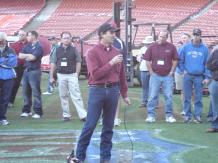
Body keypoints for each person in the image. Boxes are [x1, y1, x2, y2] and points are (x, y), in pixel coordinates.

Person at [67, 23, 130, 163]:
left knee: (109, 127)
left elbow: (121, 75)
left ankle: (105, 159)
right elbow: (95, 75)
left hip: (113, 91)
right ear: (101, 34)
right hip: (97, 90)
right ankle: (79, 157)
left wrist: (124, 94)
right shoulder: (92, 52)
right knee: (90, 125)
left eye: (114, 32)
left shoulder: (117, 52)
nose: (114, 35)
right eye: (111, 32)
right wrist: (111, 63)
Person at [50, 31, 87, 122]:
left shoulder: (74, 50)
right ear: (61, 39)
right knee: (63, 95)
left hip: (72, 75)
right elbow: (53, 63)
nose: (66, 39)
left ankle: (83, 115)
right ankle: (66, 115)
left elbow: (79, 62)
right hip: (61, 75)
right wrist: (51, 76)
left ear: (70, 39)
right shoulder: (57, 50)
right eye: (64, 38)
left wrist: (76, 74)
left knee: (76, 95)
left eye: (68, 38)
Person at [144, 30, 178, 123]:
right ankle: (150, 115)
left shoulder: (171, 47)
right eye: (160, 36)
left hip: (168, 76)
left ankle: (169, 115)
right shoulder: (152, 46)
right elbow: (147, 60)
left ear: (166, 37)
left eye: (164, 37)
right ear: (157, 37)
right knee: (152, 96)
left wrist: (172, 71)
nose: (162, 38)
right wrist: (151, 72)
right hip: (155, 75)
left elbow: (175, 60)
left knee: (168, 96)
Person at [179, 29, 210, 123]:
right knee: (187, 96)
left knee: (198, 97)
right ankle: (187, 116)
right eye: (195, 35)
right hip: (187, 75)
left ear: (201, 36)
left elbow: (207, 63)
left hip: (199, 76)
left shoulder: (205, 48)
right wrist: (182, 70)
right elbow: (180, 60)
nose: (196, 36)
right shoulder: (186, 47)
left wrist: (207, 77)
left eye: (198, 35)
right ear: (192, 36)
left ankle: (197, 116)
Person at [19, 31, 44, 119]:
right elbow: (20, 55)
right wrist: (28, 55)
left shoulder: (39, 47)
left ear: (34, 36)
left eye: (29, 35)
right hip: (26, 71)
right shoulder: (27, 46)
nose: (27, 37)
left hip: (34, 72)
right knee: (25, 92)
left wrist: (28, 56)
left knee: (36, 92)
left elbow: (33, 58)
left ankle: (38, 112)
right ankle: (26, 110)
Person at [0, 32, 17, 125]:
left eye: (1, 40)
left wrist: (1, 61)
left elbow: (13, 63)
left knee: (5, 98)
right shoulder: (10, 51)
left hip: (8, 78)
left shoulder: (11, 50)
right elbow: (8, 62)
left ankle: (2, 118)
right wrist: (5, 60)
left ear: (4, 40)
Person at [8, 30, 27, 107]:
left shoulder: (30, 44)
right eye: (20, 35)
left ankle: (27, 104)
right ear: (18, 36)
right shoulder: (14, 45)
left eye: (23, 34)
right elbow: (11, 56)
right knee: (14, 84)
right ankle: (10, 101)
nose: (21, 36)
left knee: (28, 86)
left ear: (26, 35)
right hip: (17, 67)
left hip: (27, 66)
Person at [175, 33, 191, 115]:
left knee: (193, 91)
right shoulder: (180, 48)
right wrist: (183, 70)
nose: (184, 39)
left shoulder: (193, 48)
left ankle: (194, 108)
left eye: (186, 37)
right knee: (183, 91)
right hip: (180, 72)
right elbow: (177, 60)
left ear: (189, 38)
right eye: (183, 38)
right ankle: (185, 109)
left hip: (191, 73)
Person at [136, 36, 153, 108]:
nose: (148, 45)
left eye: (149, 43)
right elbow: (138, 59)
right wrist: (140, 57)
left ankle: (153, 102)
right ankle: (144, 101)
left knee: (153, 87)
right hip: (144, 69)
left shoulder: (155, 49)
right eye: (147, 43)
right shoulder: (142, 49)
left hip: (153, 70)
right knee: (145, 86)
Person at [207, 46, 218, 132]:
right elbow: (209, 65)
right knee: (215, 105)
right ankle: (215, 126)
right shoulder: (216, 51)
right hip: (216, 80)